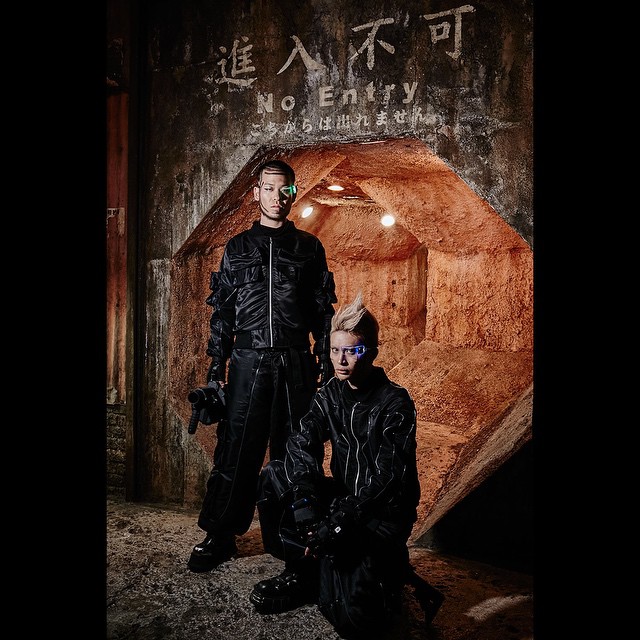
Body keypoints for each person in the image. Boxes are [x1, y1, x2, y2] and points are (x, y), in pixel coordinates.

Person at [248, 292, 444, 637]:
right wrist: (305, 499)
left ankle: (386, 572)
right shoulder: (330, 394)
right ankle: (302, 571)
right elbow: (302, 442)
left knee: (353, 621)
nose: (341, 360)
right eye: (335, 350)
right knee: (275, 474)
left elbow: (389, 477)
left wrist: (339, 522)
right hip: (342, 498)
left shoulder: (395, 402)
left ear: (371, 352)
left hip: (380, 516)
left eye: (351, 351)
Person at [187, 159, 337, 573]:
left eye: (284, 189)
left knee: (297, 451)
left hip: (295, 362)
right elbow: (223, 314)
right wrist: (216, 369)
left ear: (293, 193)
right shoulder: (237, 248)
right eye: (268, 189)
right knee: (236, 449)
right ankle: (220, 534)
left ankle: (292, 536)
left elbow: (322, 312)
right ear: (256, 193)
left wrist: (325, 363)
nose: (276, 197)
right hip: (247, 362)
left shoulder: (309, 248)